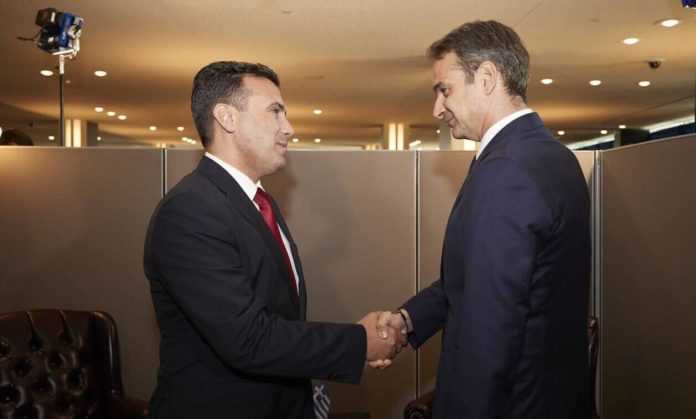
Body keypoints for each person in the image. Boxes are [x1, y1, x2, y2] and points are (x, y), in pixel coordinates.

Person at [143, 61, 403, 419]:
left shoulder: (258, 202)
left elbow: (279, 317)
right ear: (228, 118)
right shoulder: (190, 211)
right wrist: (361, 343)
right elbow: (248, 339)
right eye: (275, 112)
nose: (289, 128)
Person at [377, 20, 591, 419]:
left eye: (445, 90)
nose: (437, 108)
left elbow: (488, 333)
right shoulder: (554, 156)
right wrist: (409, 319)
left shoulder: (506, 170)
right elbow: (485, 280)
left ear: (488, 78)